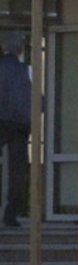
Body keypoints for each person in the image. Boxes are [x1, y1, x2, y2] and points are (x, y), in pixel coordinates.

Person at [0, 32, 31, 228]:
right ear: (21, 50)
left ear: (4, 48)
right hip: (20, 125)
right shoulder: (28, 70)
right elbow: (40, 100)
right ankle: (11, 215)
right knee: (17, 170)